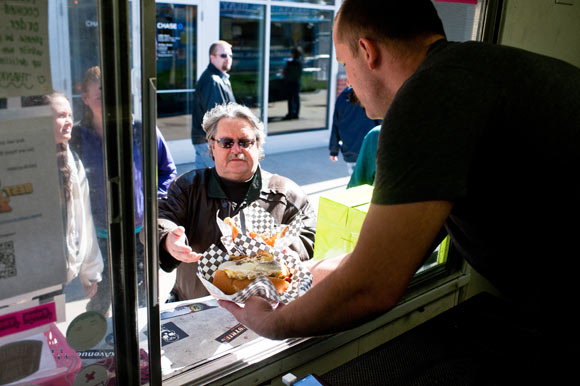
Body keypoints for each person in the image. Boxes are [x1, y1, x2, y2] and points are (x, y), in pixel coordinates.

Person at [219, 0, 580, 378]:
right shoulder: (476, 73)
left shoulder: (429, 98)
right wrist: (303, 271)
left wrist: (270, 324)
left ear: (367, 51)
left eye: (344, 63)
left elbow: (372, 286)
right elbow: (389, 253)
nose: (349, 83)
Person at [157, 102, 317, 301]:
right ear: (212, 147)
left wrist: (283, 249)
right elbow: (160, 218)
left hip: (265, 309)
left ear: (257, 146)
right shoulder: (188, 187)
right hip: (196, 305)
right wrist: (168, 238)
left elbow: (308, 237)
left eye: (244, 142)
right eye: (226, 143)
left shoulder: (287, 194)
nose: (236, 149)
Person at [71, 66, 177, 313]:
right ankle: (99, 348)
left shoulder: (141, 130)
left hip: (139, 235)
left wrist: (152, 202)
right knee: (100, 301)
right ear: (85, 100)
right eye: (100, 98)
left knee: (140, 301)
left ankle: (138, 349)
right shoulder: (76, 136)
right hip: (97, 238)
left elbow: (167, 171)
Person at [47, 92, 103, 301]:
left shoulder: (71, 160)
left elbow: (83, 218)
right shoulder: (27, 162)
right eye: (61, 115)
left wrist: (90, 270)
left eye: (70, 115)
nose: (69, 121)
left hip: (57, 274)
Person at [191, 41, 236, 170]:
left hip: (206, 141)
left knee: (202, 180)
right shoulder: (212, 81)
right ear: (212, 57)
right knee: (221, 179)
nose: (228, 58)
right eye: (223, 55)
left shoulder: (220, 78)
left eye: (230, 55)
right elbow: (217, 117)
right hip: (210, 143)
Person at [329, 86, 381, 174]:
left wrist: (333, 150)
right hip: (369, 151)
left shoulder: (342, 97)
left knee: (357, 184)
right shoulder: (370, 96)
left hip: (350, 151)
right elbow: (381, 124)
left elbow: (336, 125)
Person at [283, 47, 303, 120]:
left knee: (290, 98)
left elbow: (285, 72)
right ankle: (296, 114)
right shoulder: (300, 63)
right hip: (297, 82)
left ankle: (290, 113)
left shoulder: (290, 63)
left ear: (294, 54)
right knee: (296, 98)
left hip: (290, 82)